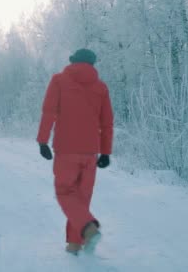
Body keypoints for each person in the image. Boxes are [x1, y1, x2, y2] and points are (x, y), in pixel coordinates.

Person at [36, 48, 114, 255]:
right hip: (90, 152)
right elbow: (107, 123)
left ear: (72, 62)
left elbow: (49, 111)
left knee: (65, 193)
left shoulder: (59, 81)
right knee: (81, 198)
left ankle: (88, 228)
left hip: (66, 150)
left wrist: (42, 141)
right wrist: (106, 152)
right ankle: (74, 244)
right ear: (92, 64)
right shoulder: (101, 87)